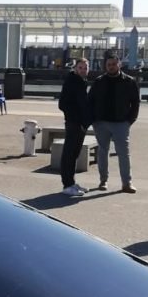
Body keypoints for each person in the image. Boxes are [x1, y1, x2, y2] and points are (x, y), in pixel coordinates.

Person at [87, 52, 140, 193]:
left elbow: (135, 102)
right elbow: (90, 101)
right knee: (102, 152)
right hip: (101, 123)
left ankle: (126, 183)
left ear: (119, 64)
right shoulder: (99, 81)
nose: (111, 67)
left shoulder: (129, 81)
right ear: (105, 66)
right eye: (109, 65)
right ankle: (103, 181)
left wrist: (130, 120)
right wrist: (93, 120)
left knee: (124, 153)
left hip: (121, 123)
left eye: (114, 64)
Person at [58, 57, 92, 196]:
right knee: (69, 153)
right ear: (75, 68)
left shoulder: (81, 82)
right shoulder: (71, 81)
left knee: (75, 153)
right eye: (80, 67)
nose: (83, 70)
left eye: (85, 68)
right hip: (73, 122)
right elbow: (62, 104)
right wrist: (74, 116)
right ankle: (67, 185)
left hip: (80, 123)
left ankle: (71, 182)